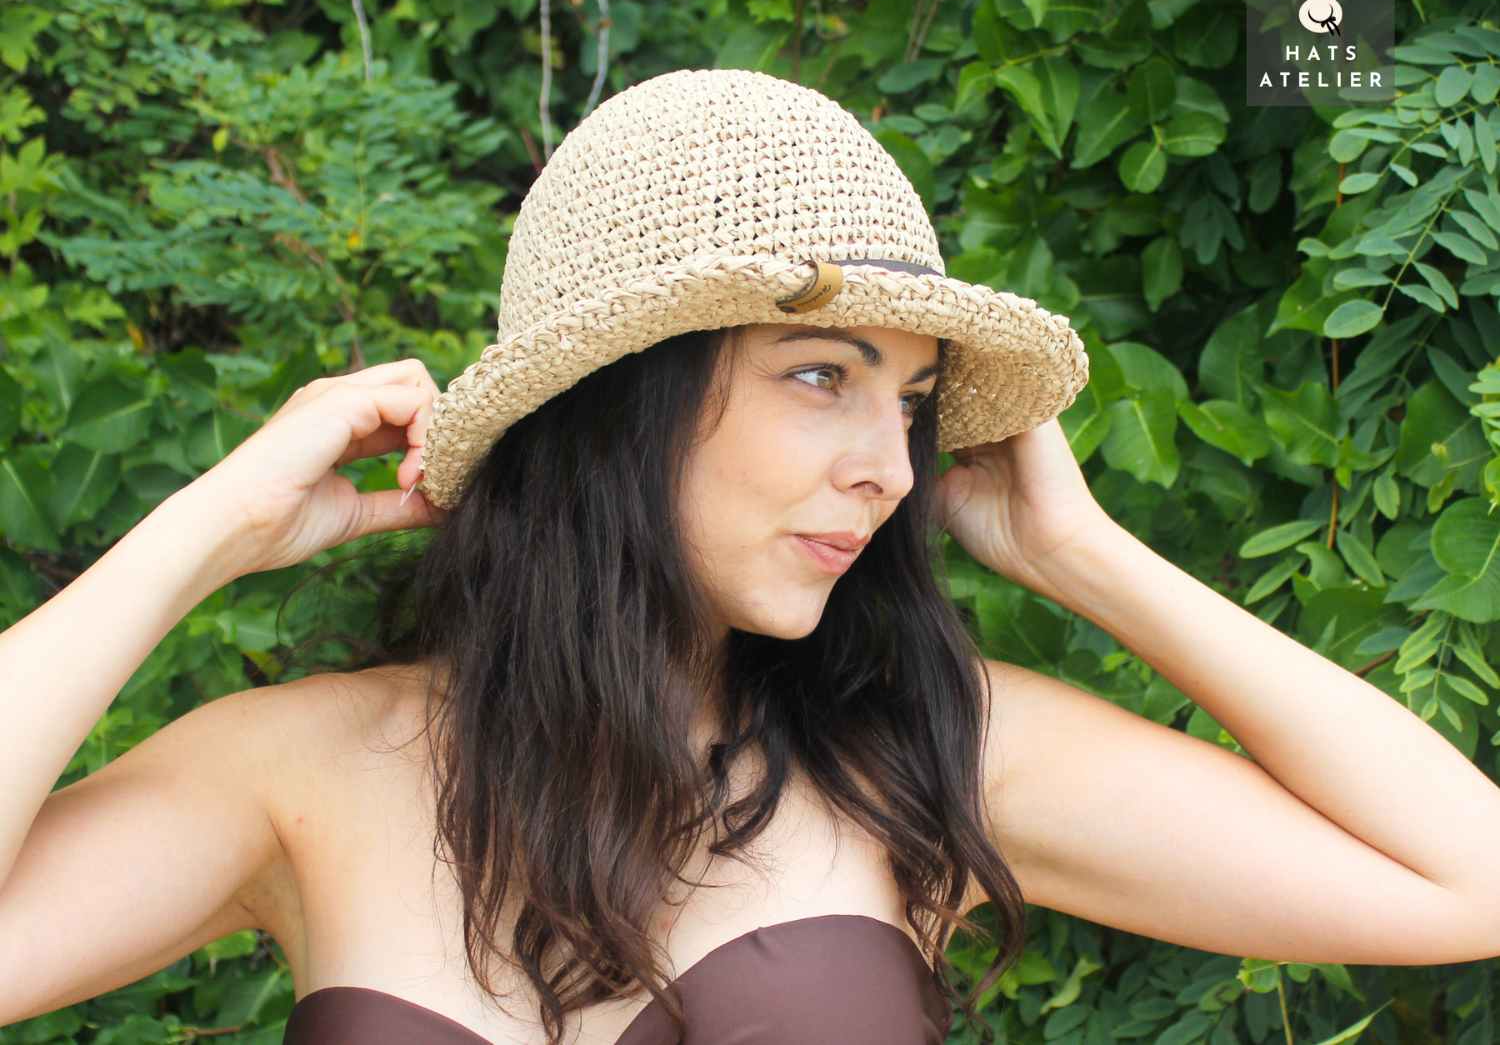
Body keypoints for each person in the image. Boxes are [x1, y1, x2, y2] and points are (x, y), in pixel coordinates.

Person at [4, 68, 1498, 1045]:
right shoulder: (301, 770)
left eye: (912, 401)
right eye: (820, 375)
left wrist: (1088, 556)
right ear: (619, 399)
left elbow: (1470, 879)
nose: (891, 464)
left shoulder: (923, 755)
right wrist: (202, 534)